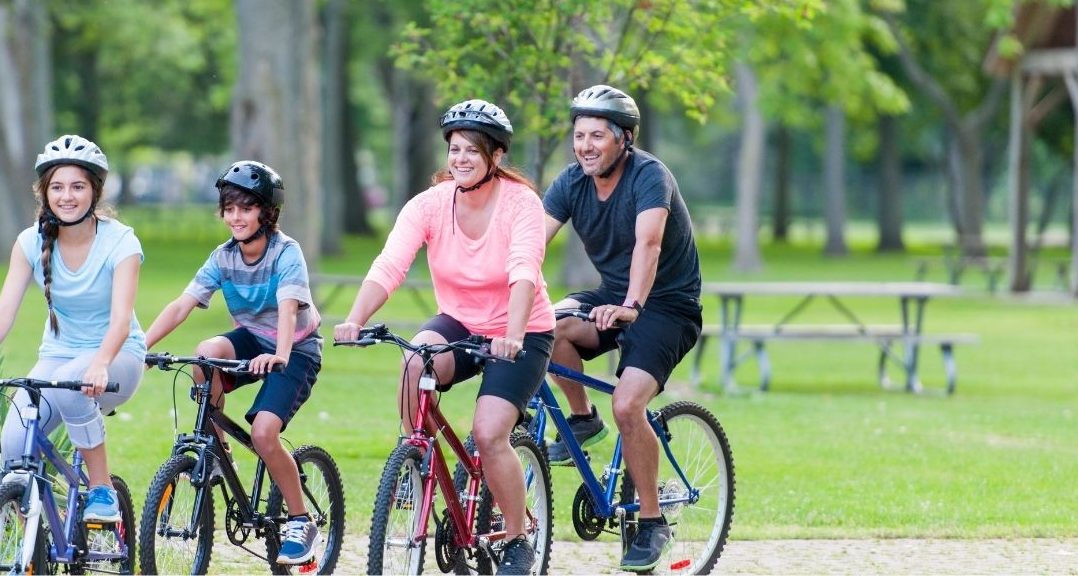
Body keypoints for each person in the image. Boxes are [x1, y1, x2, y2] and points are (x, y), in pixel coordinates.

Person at [333, 99, 554, 575]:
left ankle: (517, 538)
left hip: (521, 330)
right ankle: (418, 459)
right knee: (415, 361)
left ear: (495, 158)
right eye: (454, 149)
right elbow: (390, 265)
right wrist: (353, 318)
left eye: (472, 151)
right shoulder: (430, 204)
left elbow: (524, 272)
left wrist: (513, 334)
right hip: (459, 321)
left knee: (489, 433)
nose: (460, 159)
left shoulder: (522, 204)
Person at [541, 85, 702, 572]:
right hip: (612, 294)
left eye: (597, 136)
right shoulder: (571, 182)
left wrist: (632, 304)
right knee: (547, 329)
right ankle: (582, 420)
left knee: (629, 403)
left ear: (624, 139)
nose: (585, 145)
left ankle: (652, 523)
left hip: (668, 305)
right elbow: (530, 242)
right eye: (579, 136)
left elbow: (648, 244)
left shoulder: (650, 176)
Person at [0, 135, 146, 523]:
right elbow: (5, 310)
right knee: (16, 444)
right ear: (44, 193)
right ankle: (32, 546)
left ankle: (101, 489)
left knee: (72, 384)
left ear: (94, 191)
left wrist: (101, 362)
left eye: (77, 186)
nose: (66, 196)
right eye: (57, 187)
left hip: (118, 356)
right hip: (57, 357)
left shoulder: (121, 241)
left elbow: (122, 318)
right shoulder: (30, 241)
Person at [142, 160, 324, 566]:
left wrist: (277, 354)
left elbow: (288, 308)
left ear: (267, 212)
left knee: (263, 433)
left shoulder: (285, 252)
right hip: (252, 339)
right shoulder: (223, 257)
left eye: (246, 207)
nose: (235, 217)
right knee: (205, 352)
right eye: (229, 208)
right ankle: (217, 453)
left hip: (295, 348)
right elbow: (181, 306)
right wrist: (142, 347)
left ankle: (300, 520)